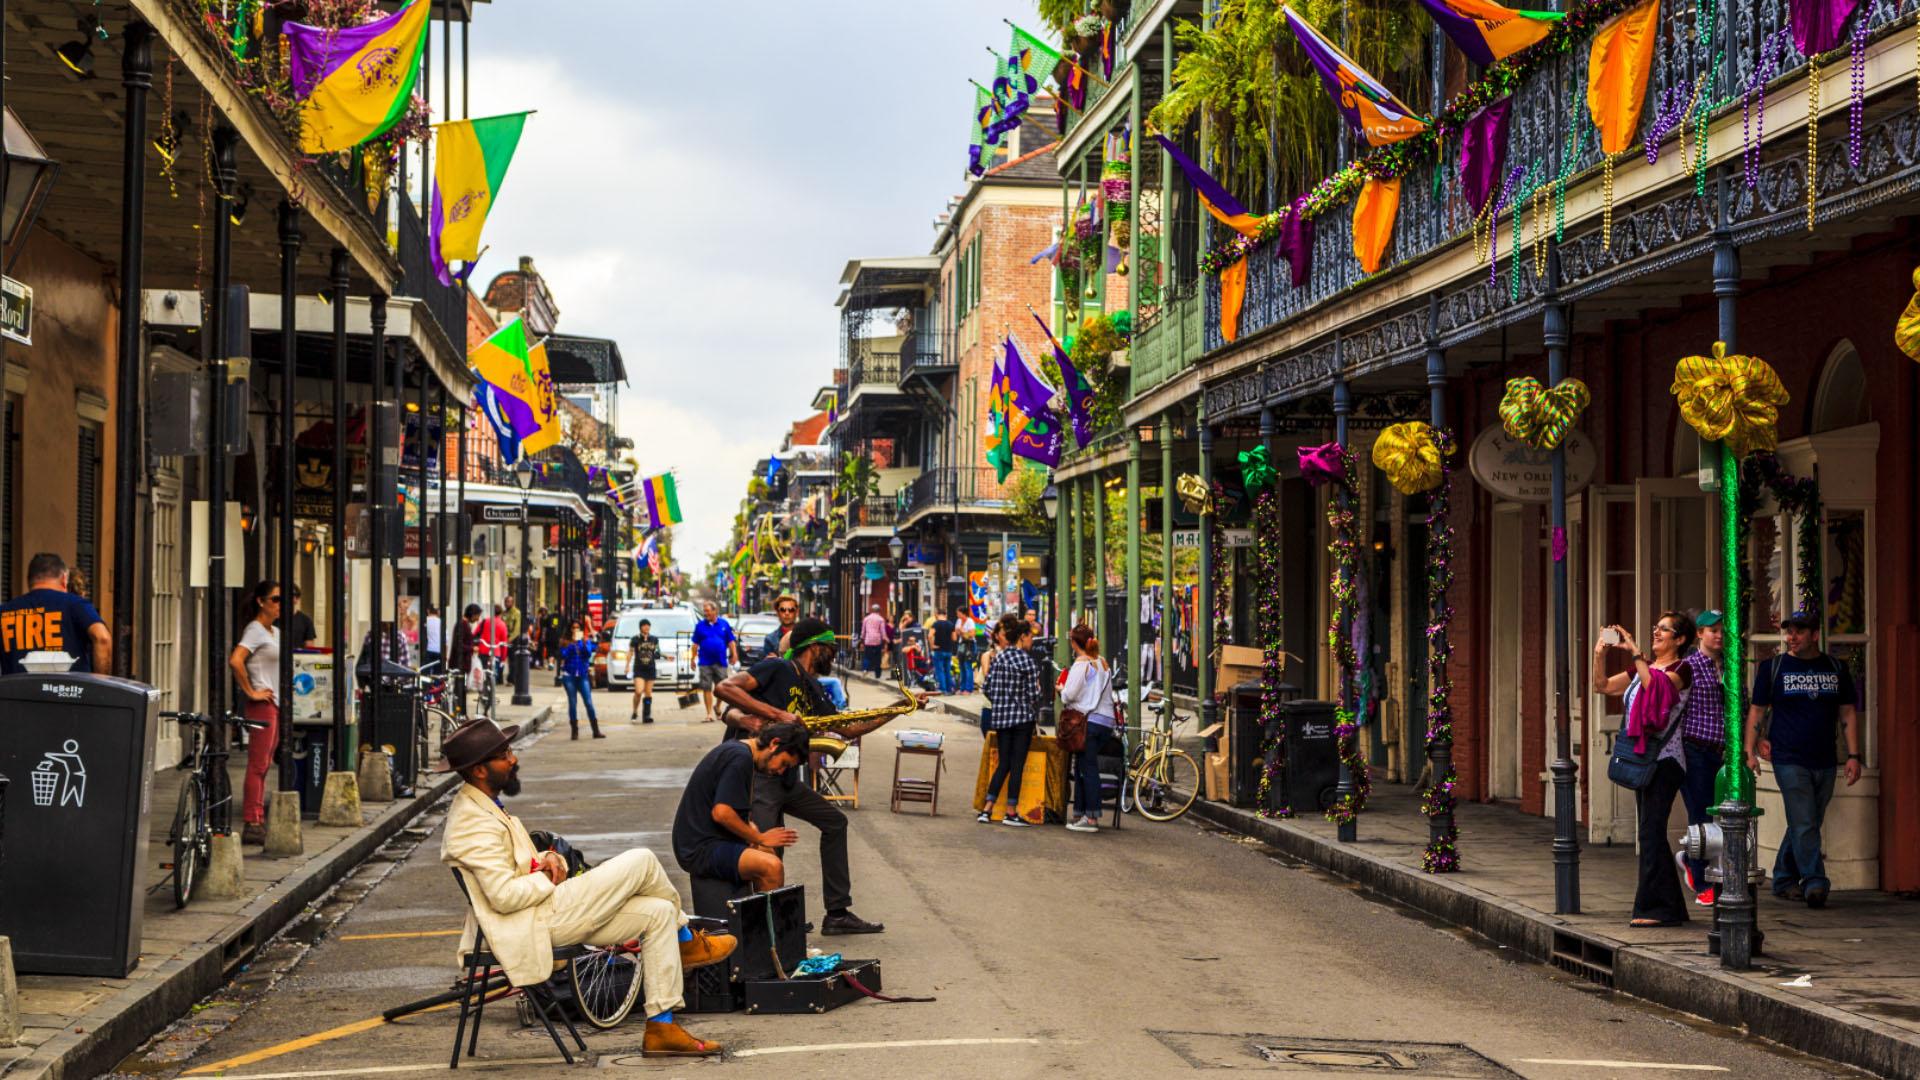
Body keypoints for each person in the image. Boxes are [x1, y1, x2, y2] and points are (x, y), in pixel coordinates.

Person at [437, 719, 732, 1058]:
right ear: (479, 770)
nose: (513, 759)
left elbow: (516, 865)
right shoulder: (470, 823)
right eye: (505, 755)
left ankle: (661, 1028)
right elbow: (503, 896)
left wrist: (547, 859)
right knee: (643, 860)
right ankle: (686, 941)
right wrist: (547, 877)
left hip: (543, 910)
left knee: (659, 912)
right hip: (533, 921)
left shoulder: (484, 804)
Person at [715, 617, 908, 934]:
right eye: (830, 648)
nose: (832, 655)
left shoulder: (812, 687)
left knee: (835, 822)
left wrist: (896, 709)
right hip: (758, 774)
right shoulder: (777, 669)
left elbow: (847, 727)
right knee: (766, 849)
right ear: (814, 647)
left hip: (786, 778)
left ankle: (837, 913)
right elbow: (725, 688)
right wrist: (775, 715)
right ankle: (768, 925)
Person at [1746, 609, 1861, 909]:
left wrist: (1854, 755)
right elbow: (1757, 711)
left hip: (1825, 758)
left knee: (1806, 821)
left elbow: (1847, 711)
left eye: (1798, 632)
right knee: (1805, 820)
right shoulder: (1774, 667)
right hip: (1788, 757)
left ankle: (1784, 877)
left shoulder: (1836, 667)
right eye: (1789, 631)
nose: (1791, 638)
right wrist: (1750, 749)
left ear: (1814, 634)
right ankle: (1815, 881)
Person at [1593, 612, 1695, 928]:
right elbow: (1603, 686)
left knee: (1651, 832)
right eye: (1656, 628)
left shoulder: (1681, 669)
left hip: (1666, 761)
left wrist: (1636, 652)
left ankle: (1658, 909)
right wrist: (1600, 654)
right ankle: (1668, 908)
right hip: (1645, 758)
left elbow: (1656, 690)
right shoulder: (1642, 669)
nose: (1657, 633)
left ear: (1679, 639)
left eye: (1664, 629)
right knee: (1650, 833)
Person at [671, 723, 808, 895]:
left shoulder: (739, 751)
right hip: (699, 848)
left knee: (769, 853)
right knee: (771, 867)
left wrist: (749, 828)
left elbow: (728, 806)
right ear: (774, 744)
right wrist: (760, 837)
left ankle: (756, 913)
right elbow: (721, 813)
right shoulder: (740, 758)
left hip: (709, 839)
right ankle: (766, 922)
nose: (781, 771)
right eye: (784, 764)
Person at [1674, 609, 1728, 906]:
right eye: (1712, 630)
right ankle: (1702, 880)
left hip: (1723, 752)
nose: (1718, 635)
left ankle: (1697, 863)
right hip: (1694, 749)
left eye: (1722, 630)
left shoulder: (1730, 666)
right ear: (1699, 634)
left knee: (1725, 818)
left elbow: (1740, 706)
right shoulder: (1689, 666)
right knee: (1701, 816)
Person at [228, 581, 283, 846]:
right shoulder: (255, 630)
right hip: (262, 703)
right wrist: (251, 691)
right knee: (258, 764)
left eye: (283, 599)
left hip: (274, 705)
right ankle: (252, 821)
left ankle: (257, 816)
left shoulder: (274, 632)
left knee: (265, 764)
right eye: (275, 599)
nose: (280, 604)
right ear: (261, 602)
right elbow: (236, 660)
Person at [0, 552, 110, 675]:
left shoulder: (5, 611)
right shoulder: (76, 605)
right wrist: (100, 683)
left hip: (17, 692)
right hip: (70, 691)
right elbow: (103, 638)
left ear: (29, 580)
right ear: (64, 579)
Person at [980, 614, 1042, 827]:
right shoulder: (1027, 661)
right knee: (1017, 766)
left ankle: (986, 809)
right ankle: (1011, 811)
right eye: (1030, 637)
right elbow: (1033, 695)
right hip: (1023, 719)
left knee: (1003, 764)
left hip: (1002, 719)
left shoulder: (999, 658)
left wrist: (1002, 703)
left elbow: (987, 688)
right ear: (1022, 637)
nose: (1031, 641)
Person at [1062, 625, 1121, 834]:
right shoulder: (1103, 663)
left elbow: (1069, 695)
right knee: (1082, 766)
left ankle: (1091, 817)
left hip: (1089, 723)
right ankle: (1080, 812)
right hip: (1105, 722)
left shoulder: (1081, 664)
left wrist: (1061, 689)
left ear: (1073, 643)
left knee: (1088, 768)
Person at [691, 601, 737, 723]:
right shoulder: (700, 626)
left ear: (715, 611)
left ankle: (717, 706)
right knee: (706, 688)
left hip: (721, 661)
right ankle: (709, 713)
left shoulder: (724, 624)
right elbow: (695, 644)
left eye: (708, 611)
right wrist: (692, 659)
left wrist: (734, 654)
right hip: (705, 662)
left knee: (721, 688)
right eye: (704, 611)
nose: (706, 613)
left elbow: (731, 641)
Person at [559, 618, 603, 740]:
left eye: (577, 627)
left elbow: (588, 654)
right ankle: (574, 731)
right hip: (569, 675)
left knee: (588, 702)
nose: (575, 630)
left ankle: (596, 730)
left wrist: (583, 643)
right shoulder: (565, 641)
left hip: (582, 675)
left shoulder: (584, 640)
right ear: (570, 629)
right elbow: (563, 655)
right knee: (573, 703)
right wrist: (572, 643)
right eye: (573, 627)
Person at [629, 618, 660, 724]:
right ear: (640, 627)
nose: (646, 627)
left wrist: (664, 655)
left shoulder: (654, 639)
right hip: (639, 668)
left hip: (650, 668)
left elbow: (657, 651)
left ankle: (646, 716)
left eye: (648, 625)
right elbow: (630, 652)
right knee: (638, 691)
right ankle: (635, 711)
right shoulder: (635, 639)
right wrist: (627, 665)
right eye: (644, 625)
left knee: (648, 693)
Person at [277, 585, 318, 649]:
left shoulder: (306, 620)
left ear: (297, 599)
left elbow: (309, 647)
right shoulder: (272, 618)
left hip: (298, 657)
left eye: (291, 595)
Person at [929, 608, 957, 695]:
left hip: (938, 650)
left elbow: (930, 635)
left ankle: (943, 689)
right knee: (947, 670)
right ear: (945, 615)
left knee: (940, 670)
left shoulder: (936, 624)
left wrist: (932, 646)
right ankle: (949, 689)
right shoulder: (951, 624)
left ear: (937, 614)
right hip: (948, 650)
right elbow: (954, 638)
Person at [765, 595, 799, 660]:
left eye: (791, 610)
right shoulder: (770, 639)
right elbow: (767, 666)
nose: (787, 613)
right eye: (782, 610)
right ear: (777, 613)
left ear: (797, 612)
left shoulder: (805, 636)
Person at [954, 608, 979, 693]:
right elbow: (957, 632)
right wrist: (962, 632)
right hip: (961, 645)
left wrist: (962, 631)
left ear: (963, 613)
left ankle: (969, 689)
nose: (957, 615)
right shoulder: (958, 621)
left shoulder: (970, 621)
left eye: (958, 613)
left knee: (967, 666)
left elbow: (972, 635)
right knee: (961, 666)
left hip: (969, 646)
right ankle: (962, 688)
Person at [859, 604, 888, 675]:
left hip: (868, 640)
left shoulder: (866, 619)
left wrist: (862, 640)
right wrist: (886, 640)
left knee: (867, 656)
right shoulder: (881, 619)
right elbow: (882, 631)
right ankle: (877, 673)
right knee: (878, 657)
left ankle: (865, 669)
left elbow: (863, 631)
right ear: (879, 610)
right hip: (877, 640)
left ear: (872, 610)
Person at [422, 604, 444, 672]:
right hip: (439, 650)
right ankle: (436, 683)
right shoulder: (441, 622)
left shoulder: (425, 621)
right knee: (437, 673)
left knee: (426, 672)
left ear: (428, 611)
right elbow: (445, 639)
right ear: (438, 611)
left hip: (428, 649)